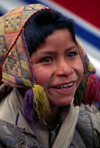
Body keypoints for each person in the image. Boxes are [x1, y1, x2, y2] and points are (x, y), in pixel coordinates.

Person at [0, 4, 100, 148]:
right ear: (18, 71)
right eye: (47, 59)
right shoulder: (5, 131)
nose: (66, 70)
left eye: (71, 54)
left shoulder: (89, 121)